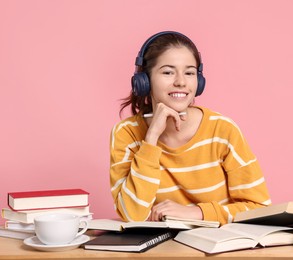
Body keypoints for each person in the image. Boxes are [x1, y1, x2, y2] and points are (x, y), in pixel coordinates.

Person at [110, 31, 271, 225]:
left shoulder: (222, 131)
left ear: (199, 82)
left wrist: (197, 213)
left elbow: (259, 208)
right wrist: (151, 138)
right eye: (168, 72)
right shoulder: (126, 133)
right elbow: (132, 215)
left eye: (189, 73)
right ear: (144, 82)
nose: (181, 82)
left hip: (219, 248)